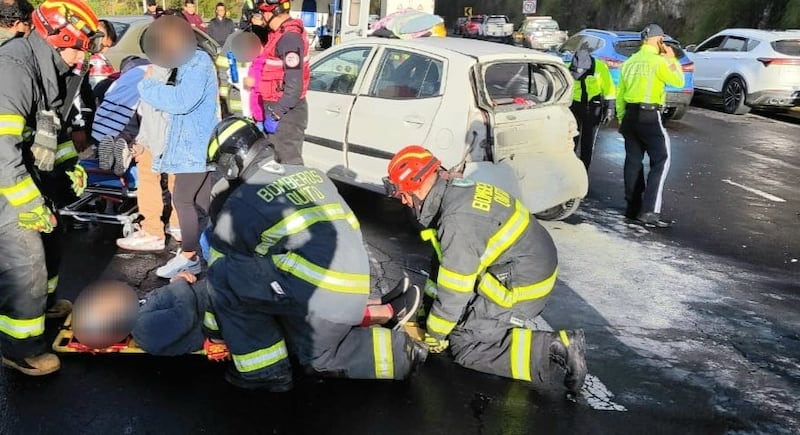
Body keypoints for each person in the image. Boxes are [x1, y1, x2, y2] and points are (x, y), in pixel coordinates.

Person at [206, 118, 427, 391]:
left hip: (324, 303)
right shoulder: (313, 174)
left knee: (225, 273)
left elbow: (221, 269)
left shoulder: (242, 202)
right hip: (354, 288)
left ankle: (264, 371)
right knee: (266, 271)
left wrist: (215, 333)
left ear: (230, 163)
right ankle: (394, 336)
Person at [383, 145, 588, 398]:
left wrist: (434, 333)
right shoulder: (456, 194)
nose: (403, 200)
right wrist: (427, 310)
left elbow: (456, 287)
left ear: (419, 184)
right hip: (519, 267)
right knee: (457, 319)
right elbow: (446, 266)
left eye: (403, 193)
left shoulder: (456, 219)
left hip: (522, 286)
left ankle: (555, 347)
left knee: (466, 345)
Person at [0, 0, 103, 376]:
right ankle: (19, 347)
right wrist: (29, 204)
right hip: (5, 177)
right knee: (24, 261)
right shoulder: (13, 68)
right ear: (59, 38)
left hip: (24, 170)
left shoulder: (50, 69)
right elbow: (1, 148)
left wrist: (67, 169)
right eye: (81, 46)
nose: (83, 56)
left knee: (51, 239)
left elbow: (50, 131)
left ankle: (41, 309)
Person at [137, 15, 219, 277]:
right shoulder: (188, 61)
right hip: (194, 142)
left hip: (193, 144)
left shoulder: (197, 61)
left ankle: (189, 256)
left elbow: (182, 101)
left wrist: (147, 85)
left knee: (183, 199)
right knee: (201, 202)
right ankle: (209, 252)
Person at [616, 24, 685, 228]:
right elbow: (679, 81)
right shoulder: (658, 61)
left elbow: (621, 94)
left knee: (633, 161)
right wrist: (671, 58)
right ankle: (649, 211)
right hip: (649, 115)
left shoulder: (629, 62)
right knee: (661, 159)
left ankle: (632, 208)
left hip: (629, 116)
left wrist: (622, 117)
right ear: (659, 40)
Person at [253, 0, 310, 164]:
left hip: (286, 114)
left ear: (271, 13)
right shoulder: (277, 35)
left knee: (288, 166)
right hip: (278, 109)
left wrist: (276, 114)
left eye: (263, 13)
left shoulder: (289, 39)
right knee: (275, 166)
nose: (262, 18)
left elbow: (294, 84)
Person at [569, 47, 616, 171]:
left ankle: (584, 169)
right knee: (571, 140)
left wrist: (610, 107)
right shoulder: (568, 66)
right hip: (574, 105)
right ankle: (570, 169)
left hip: (592, 106)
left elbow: (609, 88)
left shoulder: (600, 67)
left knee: (587, 141)